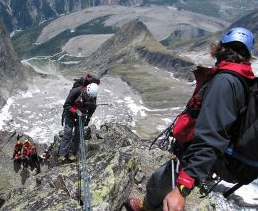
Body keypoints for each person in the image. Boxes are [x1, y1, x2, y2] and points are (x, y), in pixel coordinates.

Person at [125, 27, 257, 211]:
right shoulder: (243, 77)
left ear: (220, 48)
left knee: (159, 178)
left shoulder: (224, 82)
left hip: (218, 156)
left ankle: (146, 206)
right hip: (233, 157)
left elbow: (211, 136)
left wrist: (182, 187)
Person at [58, 82, 99, 164]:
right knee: (68, 132)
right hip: (70, 113)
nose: (87, 98)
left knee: (78, 133)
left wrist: (87, 120)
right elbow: (66, 105)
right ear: (85, 90)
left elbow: (91, 111)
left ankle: (71, 153)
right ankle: (62, 154)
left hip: (82, 115)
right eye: (86, 95)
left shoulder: (92, 99)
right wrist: (75, 111)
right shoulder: (75, 91)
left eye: (89, 97)